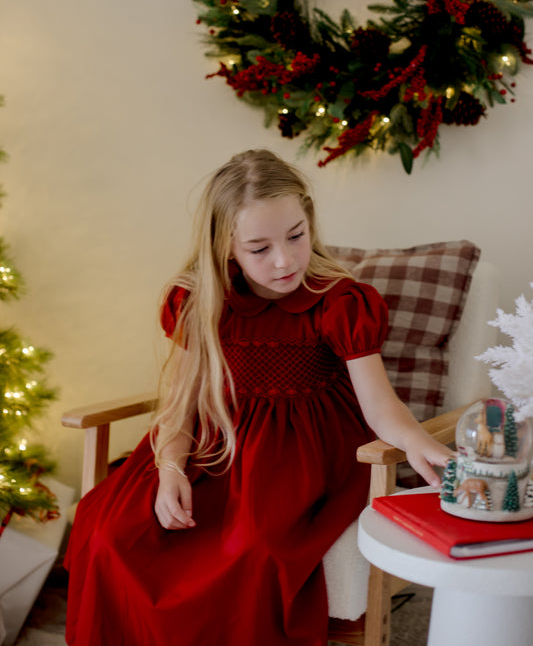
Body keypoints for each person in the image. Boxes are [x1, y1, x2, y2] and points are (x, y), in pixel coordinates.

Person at [65, 148, 451, 646]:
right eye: (259, 248)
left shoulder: (340, 302)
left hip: (303, 455)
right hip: (217, 442)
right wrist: (170, 470)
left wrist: (424, 448)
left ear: (309, 221)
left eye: (296, 236)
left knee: (254, 550)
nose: (284, 260)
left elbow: (380, 406)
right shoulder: (199, 301)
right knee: (110, 532)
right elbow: (182, 404)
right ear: (227, 247)